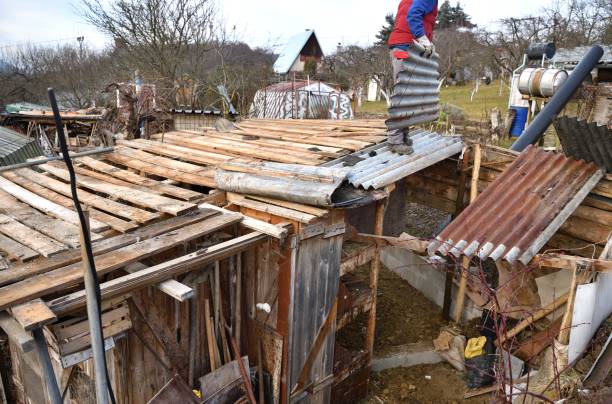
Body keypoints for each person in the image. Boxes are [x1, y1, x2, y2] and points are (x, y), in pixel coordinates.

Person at [387, 0, 438, 154]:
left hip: (403, 44)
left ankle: (402, 136)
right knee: (403, 95)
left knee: (408, 94)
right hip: (406, 46)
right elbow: (413, 15)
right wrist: (423, 39)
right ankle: (394, 140)